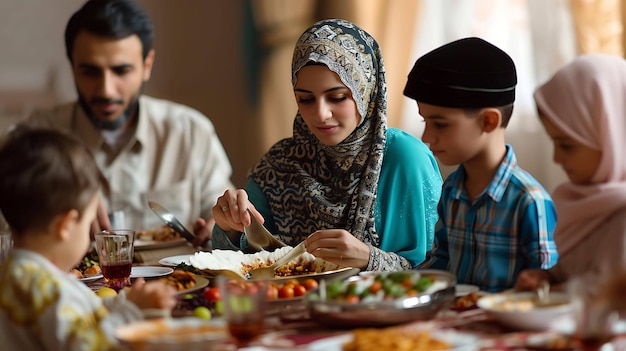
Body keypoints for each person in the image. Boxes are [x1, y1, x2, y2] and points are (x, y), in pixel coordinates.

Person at [206, 19, 443, 271]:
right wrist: (230, 227)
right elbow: (236, 263)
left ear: (365, 91)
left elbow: (441, 270)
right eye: (306, 99)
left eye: (337, 97)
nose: (321, 114)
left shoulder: (403, 158)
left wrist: (369, 259)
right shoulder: (281, 164)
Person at [19, 0, 233, 244]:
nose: (106, 90)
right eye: (90, 71)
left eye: (121, 71)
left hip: (179, 281)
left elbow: (221, 215)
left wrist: (223, 226)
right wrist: (58, 202)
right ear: (72, 66)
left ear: (147, 66)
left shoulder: (191, 133)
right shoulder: (35, 136)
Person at [0, 127, 177, 350]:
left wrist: (122, 303)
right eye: (88, 222)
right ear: (65, 226)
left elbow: (79, 319)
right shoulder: (50, 291)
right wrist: (133, 313)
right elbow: (91, 344)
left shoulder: (15, 275)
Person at [405, 37, 558, 292]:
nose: (426, 137)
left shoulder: (529, 201)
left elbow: (543, 290)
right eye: (425, 122)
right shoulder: (452, 189)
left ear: (488, 121)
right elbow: (439, 263)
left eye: (440, 124)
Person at [514, 54, 626, 297]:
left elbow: (612, 293)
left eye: (567, 146)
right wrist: (546, 276)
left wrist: (554, 290)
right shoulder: (584, 202)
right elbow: (579, 267)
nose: (556, 158)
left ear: (612, 136)